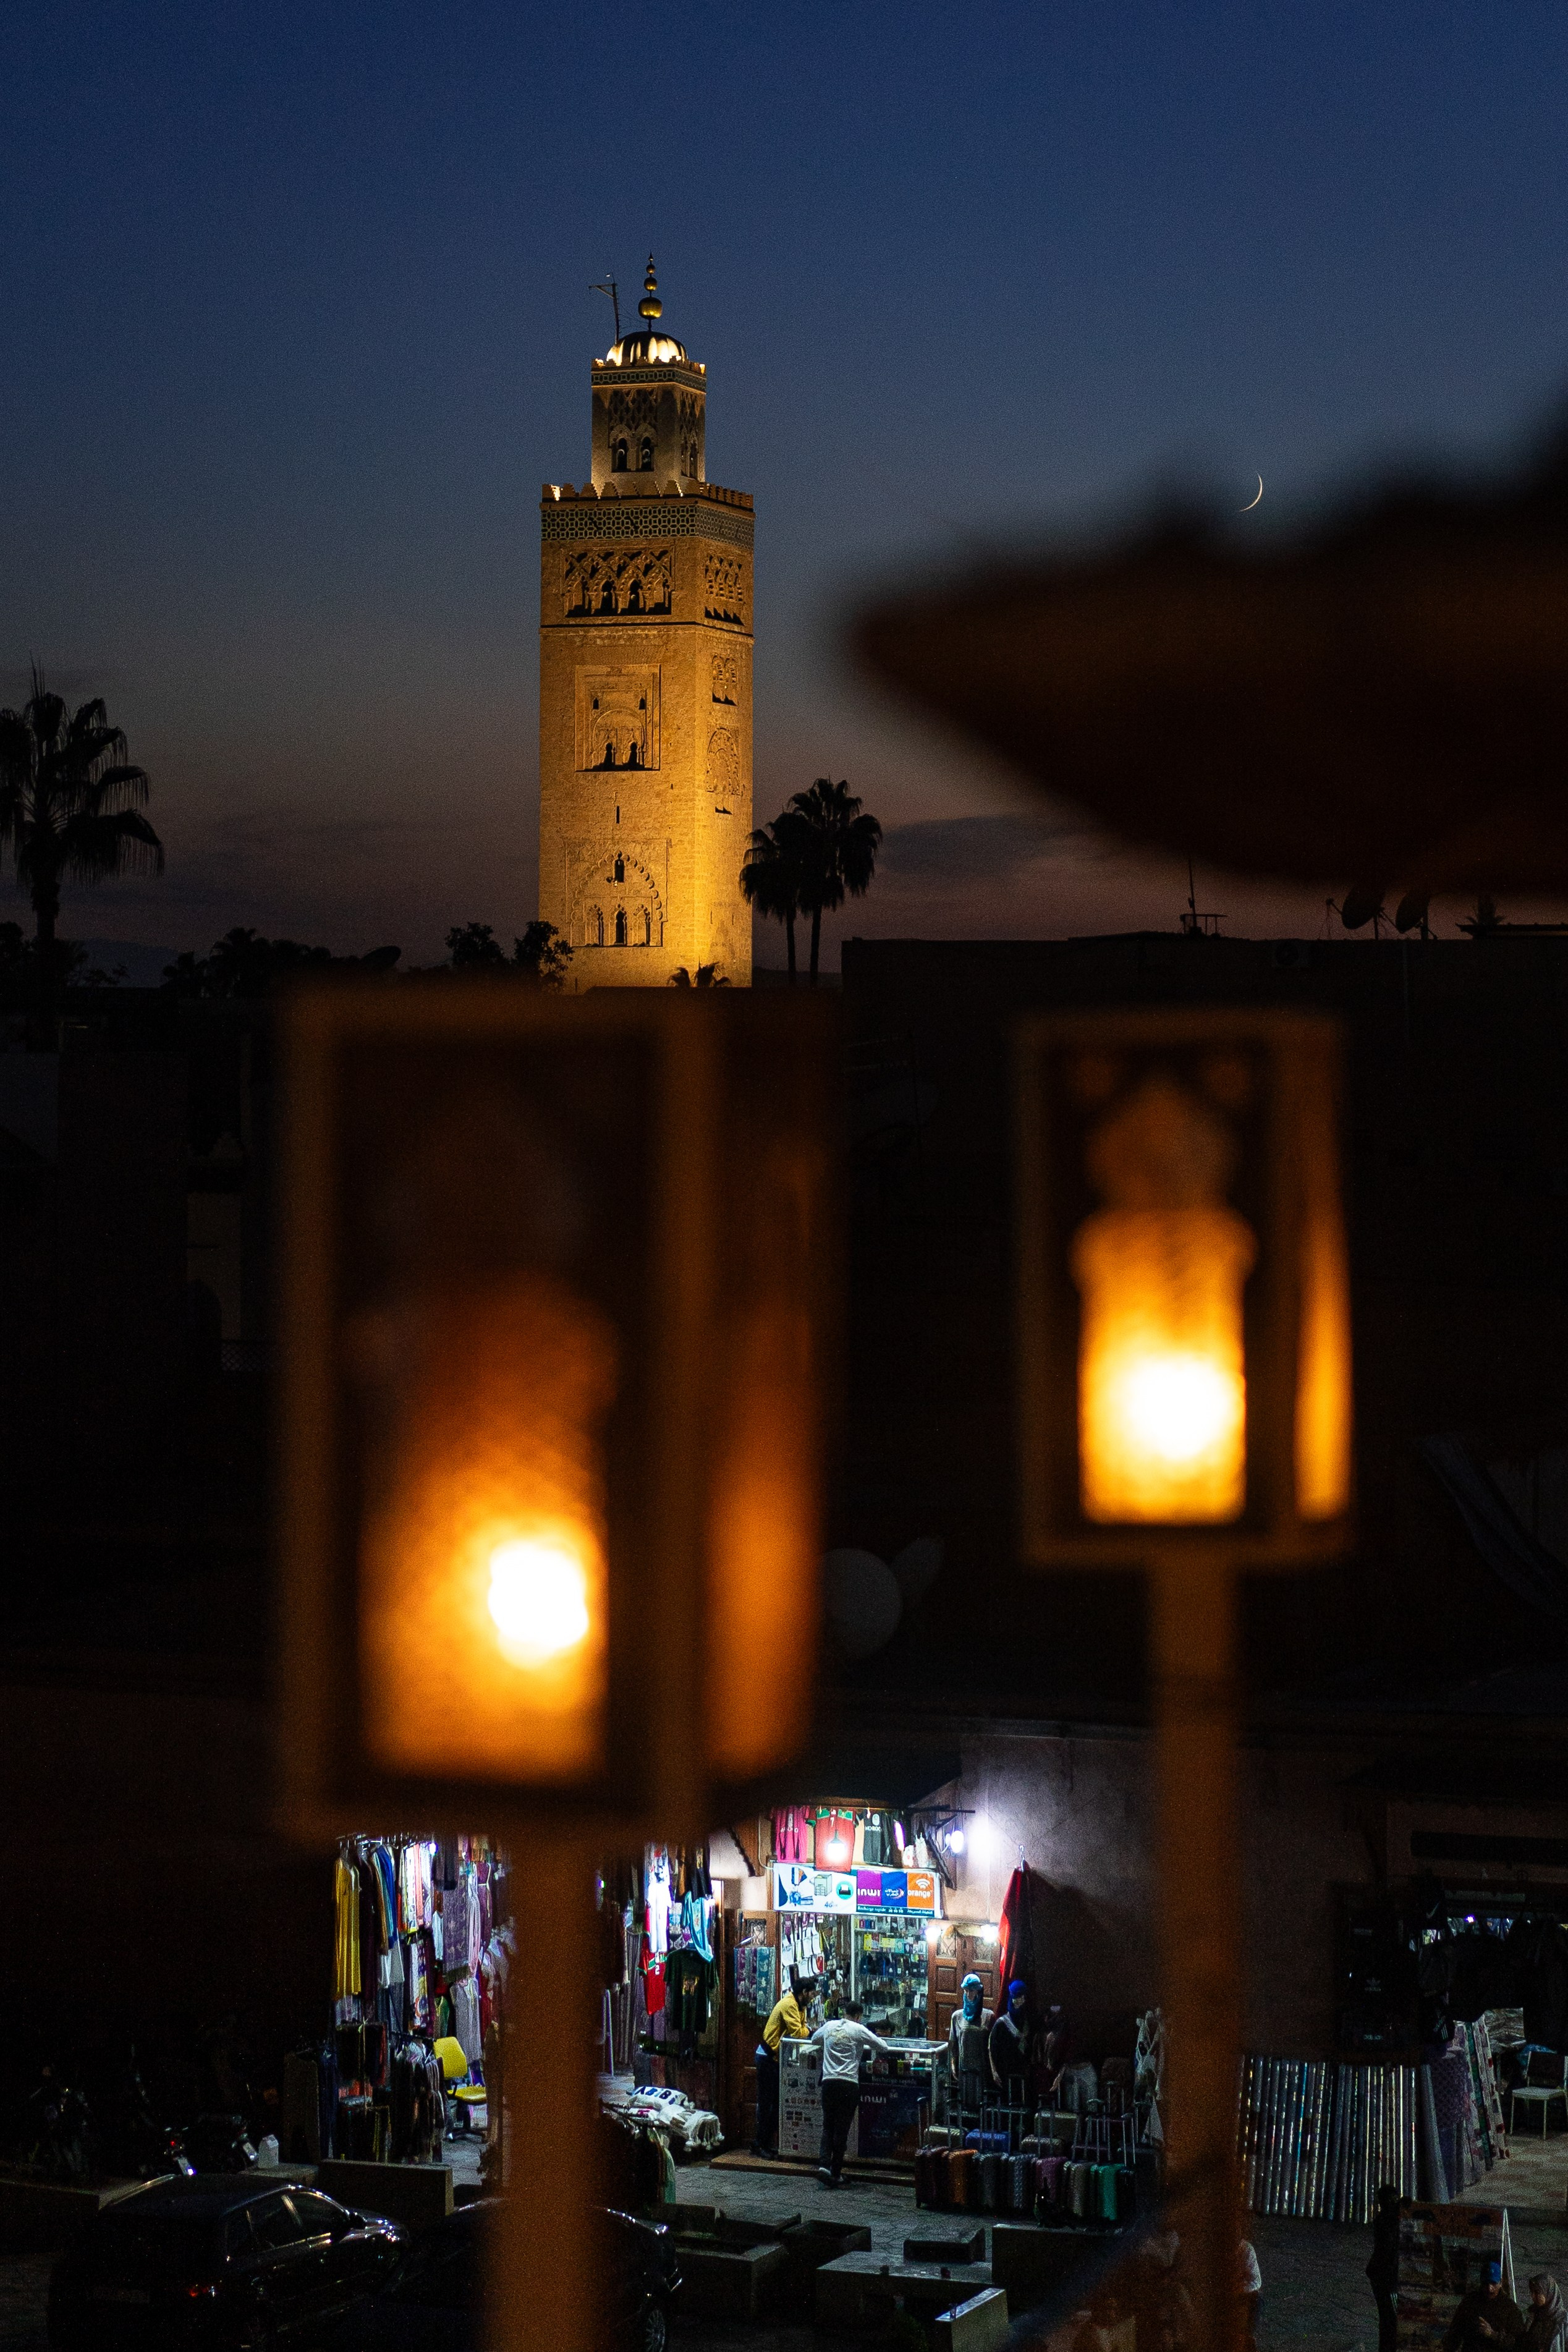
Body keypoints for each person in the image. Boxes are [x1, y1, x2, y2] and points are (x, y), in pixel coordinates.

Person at [810, 1999, 891, 2186]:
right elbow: (883, 2047)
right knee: (842, 2129)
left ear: (845, 2012)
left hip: (829, 2082)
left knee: (828, 2125)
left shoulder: (829, 2025)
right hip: (848, 2084)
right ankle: (836, 2173)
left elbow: (814, 2039)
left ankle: (824, 2166)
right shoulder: (858, 2029)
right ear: (859, 2016)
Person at [752, 1970, 809, 2155]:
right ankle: (760, 2145)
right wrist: (807, 2030)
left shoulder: (801, 2005)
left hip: (776, 2059)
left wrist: (805, 2029)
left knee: (775, 2103)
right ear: (804, 1992)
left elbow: (803, 2027)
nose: (814, 1996)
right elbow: (799, 2032)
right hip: (767, 2058)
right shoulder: (789, 2005)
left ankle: (764, 2143)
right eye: (812, 1993)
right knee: (767, 2103)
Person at [1443, 2262, 1525, 2348]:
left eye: (1494, 2284)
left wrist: (1493, 2335)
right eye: (1486, 2283)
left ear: (1501, 2282)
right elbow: (1455, 2331)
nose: (1490, 2289)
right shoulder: (1470, 2302)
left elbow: (1518, 2342)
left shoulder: (1510, 2308)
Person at [947, 1973, 993, 2119]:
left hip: (982, 2070)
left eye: (972, 1990)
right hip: (964, 2070)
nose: (969, 1994)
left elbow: (992, 2047)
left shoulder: (988, 2016)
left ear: (978, 1991)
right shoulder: (957, 2017)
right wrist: (953, 2064)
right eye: (966, 1990)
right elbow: (953, 2043)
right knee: (965, 2109)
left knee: (982, 2110)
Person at [1368, 2183, 1402, 2351]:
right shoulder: (1386, 2222)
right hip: (1386, 2278)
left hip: (1382, 2275)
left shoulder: (1386, 2219)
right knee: (1391, 2317)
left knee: (1388, 2318)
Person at [988, 1980, 1031, 2107]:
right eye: (1016, 1997)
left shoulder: (1027, 2021)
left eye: (1022, 1997)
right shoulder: (1002, 2024)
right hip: (1005, 2072)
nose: (1019, 2000)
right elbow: (991, 2048)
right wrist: (994, 2071)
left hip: (1022, 2072)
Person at [1524, 2275, 1568, 2350]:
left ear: (1549, 2293)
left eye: (1537, 2292)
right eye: (1532, 2292)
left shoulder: (1563, 2320)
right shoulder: (1534, 2314)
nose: (1533, 2296)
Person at [1238, 2239, 1262, 2347]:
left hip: (1238, 2293)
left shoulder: (1246, 2250)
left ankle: (1247, 2336)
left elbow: (1256, 2281)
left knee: (1256, 2299)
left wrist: (1238, 2289)